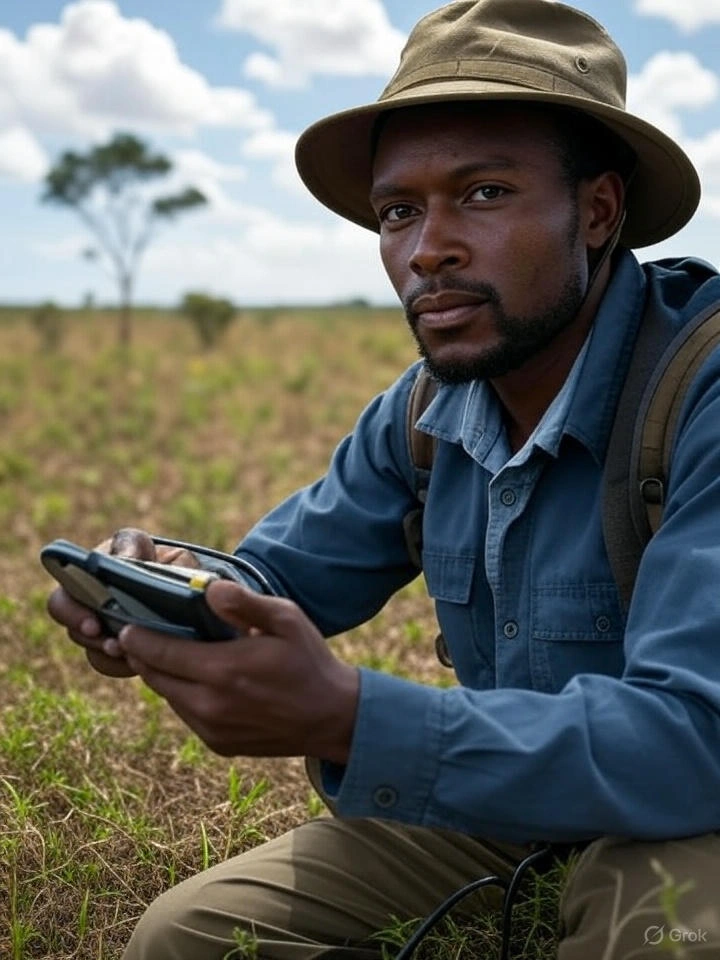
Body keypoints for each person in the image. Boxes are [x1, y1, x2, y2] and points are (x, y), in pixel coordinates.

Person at [48, 0, 720, 957]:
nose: (426, 248)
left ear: (599, 210)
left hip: (694, 811)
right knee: (188, 938)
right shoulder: (427, 413)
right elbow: (276, 578)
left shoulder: (701, 393)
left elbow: (696, 737)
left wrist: (352, 717)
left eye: (483, 193)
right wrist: (169, 591)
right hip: (515, 809)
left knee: (666, 942)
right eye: (399, 211)